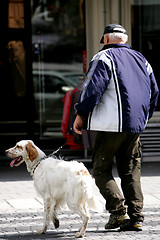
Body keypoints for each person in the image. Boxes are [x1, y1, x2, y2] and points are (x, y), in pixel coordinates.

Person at [73, 24, 159, 231]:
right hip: (135, 127)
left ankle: (118, 212)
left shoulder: (103, 58)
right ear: (124, 39)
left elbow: (91, 90)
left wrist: (81, 114)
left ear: (107, 39)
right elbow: (154, 92)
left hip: (110, 126)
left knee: (101, 170)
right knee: (130, 172)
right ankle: (136, 216)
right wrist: (142, 119)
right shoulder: (142, 59)